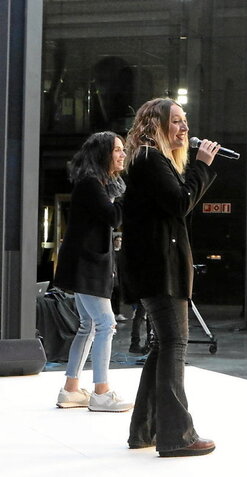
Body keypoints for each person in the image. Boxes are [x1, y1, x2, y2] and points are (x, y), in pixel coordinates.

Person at [122, 97, 219, 457]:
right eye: (176, 121)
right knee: (174, 345)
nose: (185, 128)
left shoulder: (151, 160)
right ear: (156, 124)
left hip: (157, 270)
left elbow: (174, 207)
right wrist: (203, 166)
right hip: (159, 272)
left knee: (163, 347)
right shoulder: (149, 158)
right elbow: (180, 203)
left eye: (185, 120)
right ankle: (178, 435)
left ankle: (144, 430)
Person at [53, 131, 133, 412]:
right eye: (118, 150)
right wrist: (130, 195)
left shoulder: (98, 184)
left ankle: (71, 390)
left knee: (88, 326)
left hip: (87, 265)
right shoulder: (90, 184)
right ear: (103, 154)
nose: (123, 155)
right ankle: (101, 392)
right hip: (86, 266)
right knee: (105, 324)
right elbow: (114, 216)